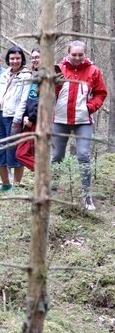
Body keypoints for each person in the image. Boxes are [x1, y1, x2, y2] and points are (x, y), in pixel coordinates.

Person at [51, 41, 107, 211]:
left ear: (85, 54)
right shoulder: (58, 68)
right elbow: (47, 90)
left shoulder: (93, 71)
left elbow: (100, 93)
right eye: (73, 54)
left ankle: (86, 195)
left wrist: (90, 107)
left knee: (83, 155)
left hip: (83, 121)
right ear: (68, 54)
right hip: (60, 120)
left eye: (80, 55)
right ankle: (52, 190)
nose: (76, 58)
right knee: (57, 156)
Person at [0, 46, 31, 191]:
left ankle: (17, 185)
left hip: (13, 117)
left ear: (22, 59)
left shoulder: (27, 76)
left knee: (13, 152)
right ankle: (6, 183)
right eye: (12, 58)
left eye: (17, 58)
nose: (14, 61)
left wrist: (17, 120)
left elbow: (24, 100)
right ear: (8, 59)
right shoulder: (5, 74)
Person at [15, 48, 41, 171]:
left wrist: (31, 118)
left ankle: (46, 174)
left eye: (38, 57)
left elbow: (43, 101)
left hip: (39, 121)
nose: (35, 60)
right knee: (27, 152)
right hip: (29, 120)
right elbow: (28, 98)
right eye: (33, 57)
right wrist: (25, 115)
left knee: (23, 153)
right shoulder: (33, 75)